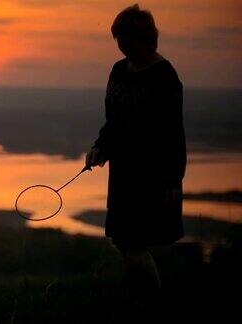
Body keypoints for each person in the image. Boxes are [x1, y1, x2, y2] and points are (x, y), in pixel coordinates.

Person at [85, 4, 186, 311]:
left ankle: (150, 305)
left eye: (126, 40)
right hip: (123, 173)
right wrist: (100, 147)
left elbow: (172, 134)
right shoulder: (118, 70)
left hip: (151, 174)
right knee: (123, 241)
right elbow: (113, 120)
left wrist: (171, 181)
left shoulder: (165, 77)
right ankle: (143, 302)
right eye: (119, 40)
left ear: (144, 38)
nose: (122, 46)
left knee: (134, 243)